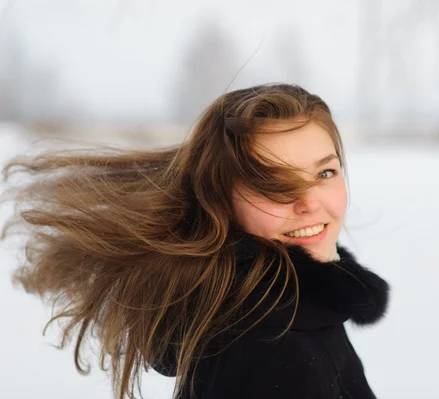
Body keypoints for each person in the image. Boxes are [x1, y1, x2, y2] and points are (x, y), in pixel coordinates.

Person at [2, 83, 390, 398]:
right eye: (272, 185)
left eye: (324, 173)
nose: (309, 204)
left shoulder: (291, 309)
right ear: (221, 200)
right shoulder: (270, 345)